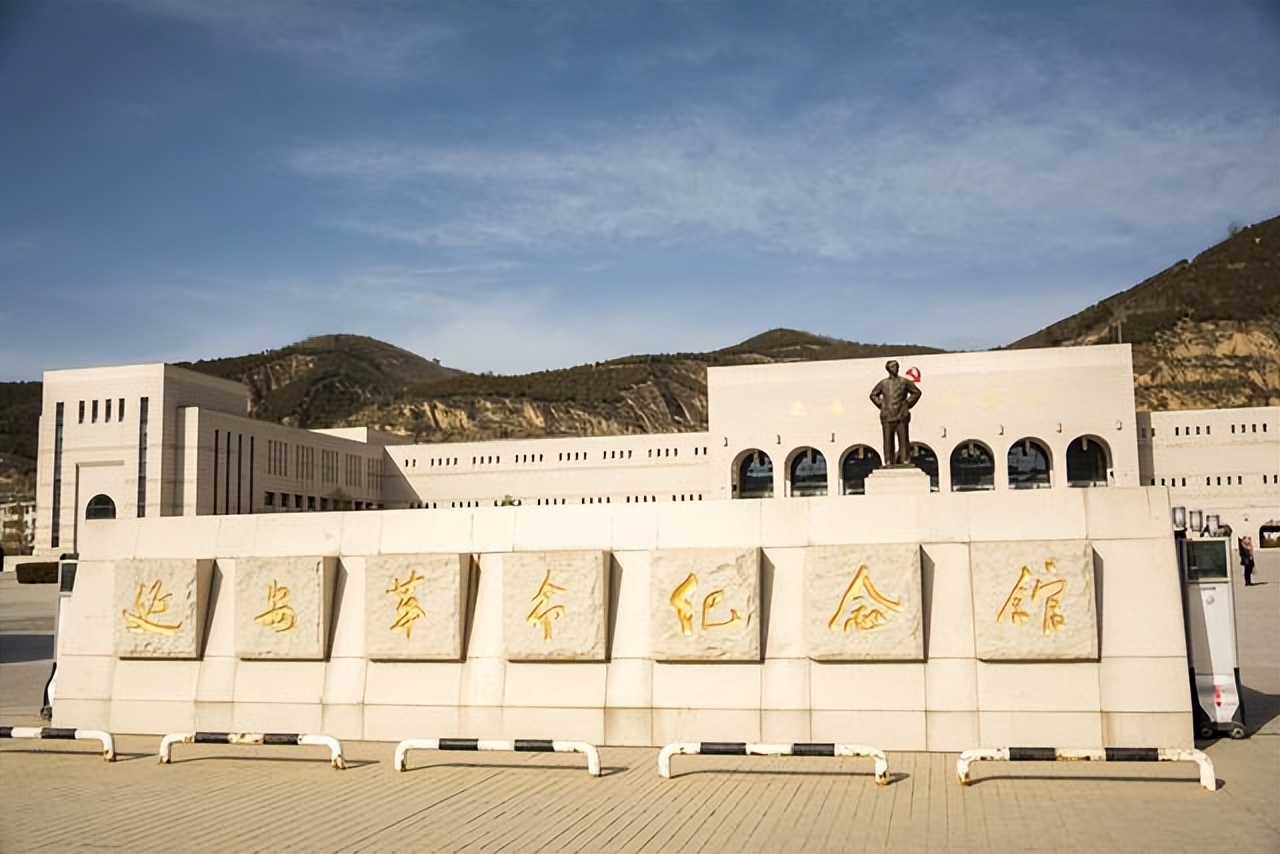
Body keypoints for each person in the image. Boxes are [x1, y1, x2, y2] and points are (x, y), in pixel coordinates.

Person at [869, 360, 922, 466]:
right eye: (893, 367)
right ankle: (888, 461)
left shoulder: (904, 381)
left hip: (901, 414)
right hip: (887, 415)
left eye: (896, 366)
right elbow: (873, 395)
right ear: (888, 369)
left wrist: (907, 404)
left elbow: (917, 392)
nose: (895, 368)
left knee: (904, 439)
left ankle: (905, 459)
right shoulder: (883, 383)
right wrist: (882, 404)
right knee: (888, 440)